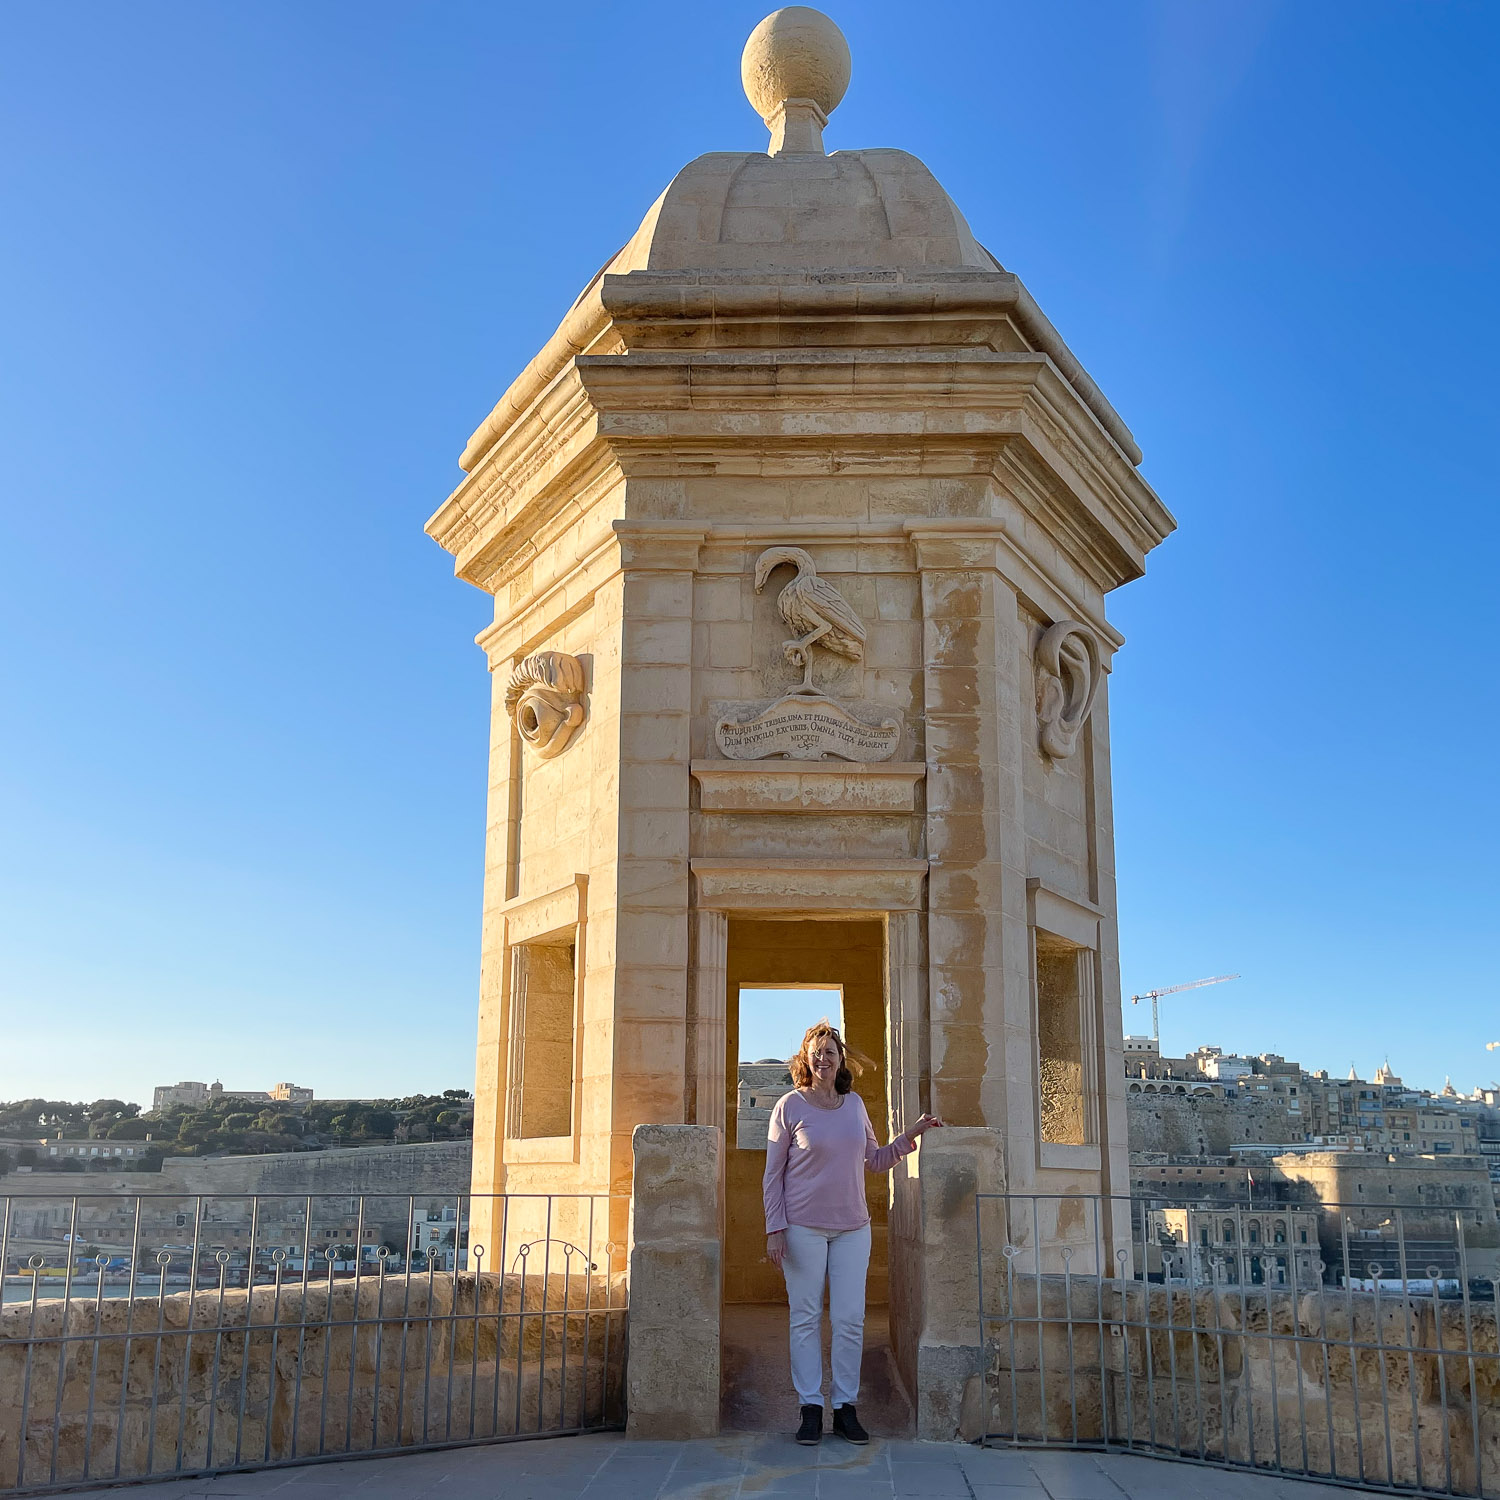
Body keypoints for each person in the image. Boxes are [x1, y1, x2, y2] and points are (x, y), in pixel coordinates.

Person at [763, 1020, 943, 1446]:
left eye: (831, 1051)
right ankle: (810, 1407)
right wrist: (775, 1229)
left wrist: (910, 1136)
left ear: (841, 1059)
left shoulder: (855, 1105)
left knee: (849, 1320)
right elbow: (772, 1177)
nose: (823, 1058)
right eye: (817, 1051)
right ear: (805, 1059)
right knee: (805, 1319)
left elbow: (875, 1161)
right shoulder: (789, 1106)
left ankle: (844, 1408)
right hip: (802, 1228)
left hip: (852, 1230)